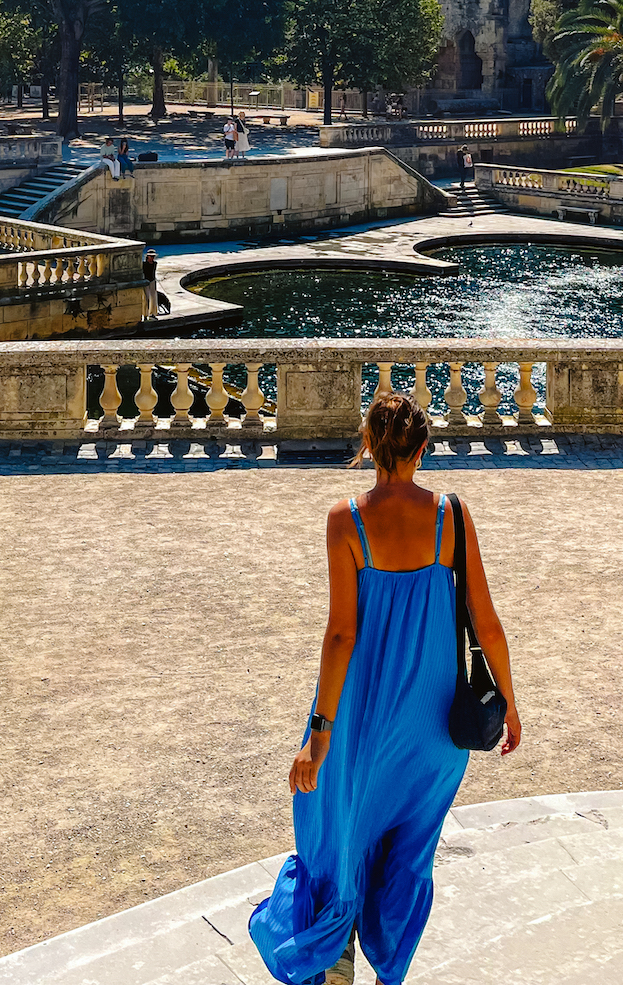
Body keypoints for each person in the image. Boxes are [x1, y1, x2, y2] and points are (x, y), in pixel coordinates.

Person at [249, 394, 520, 985]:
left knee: (339, 838)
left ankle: (333, 955)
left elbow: (342, 633)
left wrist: (318, 734)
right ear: (424, 450)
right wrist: (510, 702)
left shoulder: (345, 520)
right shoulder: (453, 516)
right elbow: (488, 622)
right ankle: (388, 965)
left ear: (367, 446)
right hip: (433, 731)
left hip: (360, 721)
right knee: (407, 853)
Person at [141, 246, 158, 318]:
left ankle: (153, 313)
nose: (152, 258)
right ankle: (145, 314)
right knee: (145, 298)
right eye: (151, 256)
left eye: (153, 256)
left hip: (152, 281)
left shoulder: (155, 263)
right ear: (148, 257)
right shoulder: (144, 264)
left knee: (153, 297)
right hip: (146, 281)